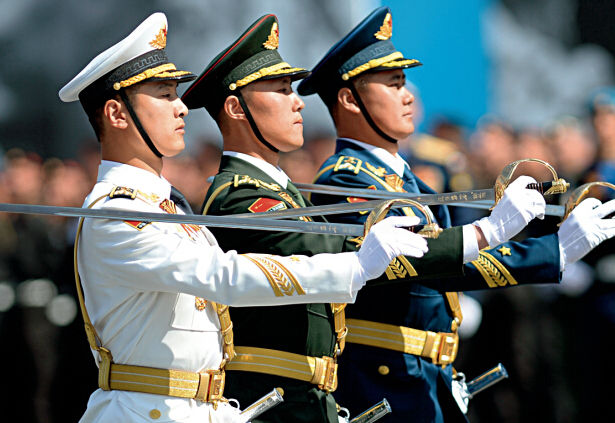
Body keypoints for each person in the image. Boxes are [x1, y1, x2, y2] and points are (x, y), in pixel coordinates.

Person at [58, 12, 432, 423]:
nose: (182, 108)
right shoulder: (118, 213)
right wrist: (355, 265)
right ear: (116, 114)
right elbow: (225, 276)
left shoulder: (167, 206)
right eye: (164, 95)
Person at [181, 13, 551, 423]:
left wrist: (554, 249)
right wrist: (489, 230)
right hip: (290, 398)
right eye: (282, 89)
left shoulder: (284, 191)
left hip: (319, 396)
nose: (298, 101)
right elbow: (321, 247)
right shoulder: (241, 196)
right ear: (235, 107)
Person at [297, 7, 615, 422]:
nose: (408, 94)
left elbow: (457, 258)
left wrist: (556, 250)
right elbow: (425, 263)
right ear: (348, 99)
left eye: (404, 81)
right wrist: (534, 244)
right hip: (384, 382)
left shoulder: (405, 181)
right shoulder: (347, 180)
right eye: (392, 84)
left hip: (424, 377)